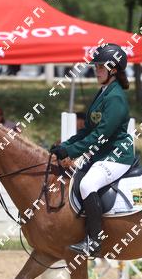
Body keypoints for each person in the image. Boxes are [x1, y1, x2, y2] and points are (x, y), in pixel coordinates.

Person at [50, 43, 135, 257]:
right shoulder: (104, 92)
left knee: (88, 184)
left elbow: (101, 135)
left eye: (100, 67)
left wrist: (72, 152)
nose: (96, 70)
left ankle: (94, 241)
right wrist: (65, 146)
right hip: (102, 155)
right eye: (95, 66)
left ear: (113, 69)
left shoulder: (115, 97)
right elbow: (88, 129)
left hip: (116, 156)